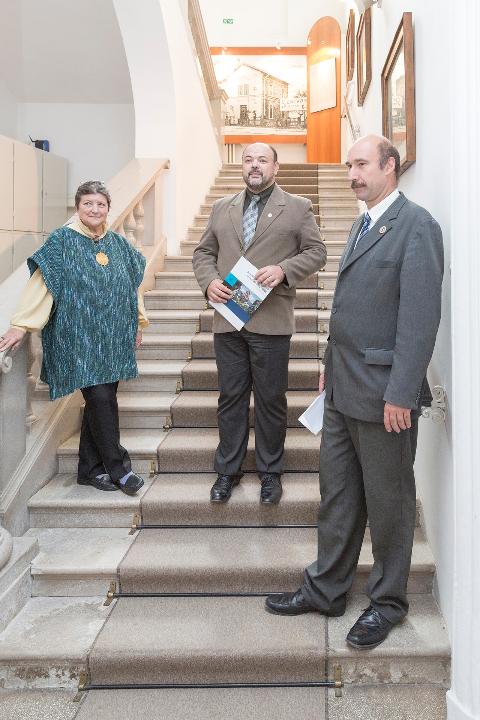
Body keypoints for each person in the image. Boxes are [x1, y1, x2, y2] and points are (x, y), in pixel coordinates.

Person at [265, 135, 444, 649]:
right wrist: (329, 368)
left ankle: (387, 603)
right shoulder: (361, 223)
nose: (352, 175)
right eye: (349, 166)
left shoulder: (417, 225)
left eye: (361, 164)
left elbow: (419, 318)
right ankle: (326, 589)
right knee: (338, 496)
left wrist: (401, 393)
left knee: (389, 504)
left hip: (386, 396)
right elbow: (348, 308)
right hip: (343, 390)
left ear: (390, 166)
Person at [192, 143, 326, 505]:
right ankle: (228, 471)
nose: (255, 165)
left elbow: (317, 252)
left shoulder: (297, 207)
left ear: (276, 167)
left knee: (270, 400)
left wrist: (284, 269)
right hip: (229, 320)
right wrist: (209, 282)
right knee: (230, 398)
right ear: (242, 166)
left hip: (271, 321)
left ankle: (270, 473)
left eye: (262, 160)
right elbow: (203, 252)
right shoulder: (222, 207)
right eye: (248, 160)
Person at [0, 180, 148, 496]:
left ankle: (88, 470)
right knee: (101, 399)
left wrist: (138, 322)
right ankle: (119, 469)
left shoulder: (118, 244)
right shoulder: (61, 242)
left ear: (108, 209)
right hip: (78, 339)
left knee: (100, 402)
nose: (94, 209)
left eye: (100, 204)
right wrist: (21, 324)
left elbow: (130, 287)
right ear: (78, 207)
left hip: (114, 338)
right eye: (88, 204)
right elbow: (42, 285)